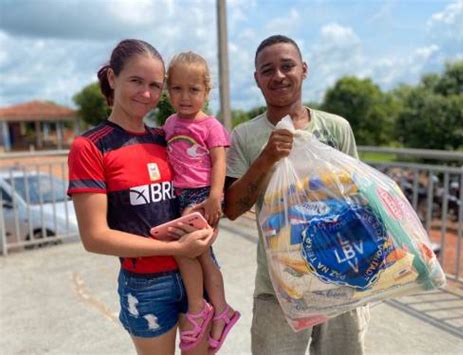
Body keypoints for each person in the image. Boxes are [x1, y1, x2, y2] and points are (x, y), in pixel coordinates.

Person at [68, 39, 216, 355]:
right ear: (112, 78)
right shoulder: (92, 147)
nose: (146, 94)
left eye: (155, 85)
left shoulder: (167, 138)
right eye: (136, 81)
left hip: (194, 271)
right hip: (147, 285)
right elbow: (95, 237)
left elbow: (206, 183)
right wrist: (176, 247)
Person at [224, 35, 370, 355]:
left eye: (287, 66)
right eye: (267, 70)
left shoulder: (337, 128)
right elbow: (232, 208)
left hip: (340, 278)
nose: (278, 75)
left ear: (303, 70)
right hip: (278, 286)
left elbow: (359, 198)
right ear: (257, 80)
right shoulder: (245, 136)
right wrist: (266, 159)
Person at [162, 51, 240, 353]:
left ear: (207, 91)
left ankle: (198, 309)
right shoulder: (169, 124)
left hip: (199, 196)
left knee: (184, 251)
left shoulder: (211, 126)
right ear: (169, 91)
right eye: (178, 89)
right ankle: (221, 310)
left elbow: (220, 162)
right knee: (202, 256)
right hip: (178, 195)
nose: (185, 96)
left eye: (193, 89)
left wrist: (214, 197)